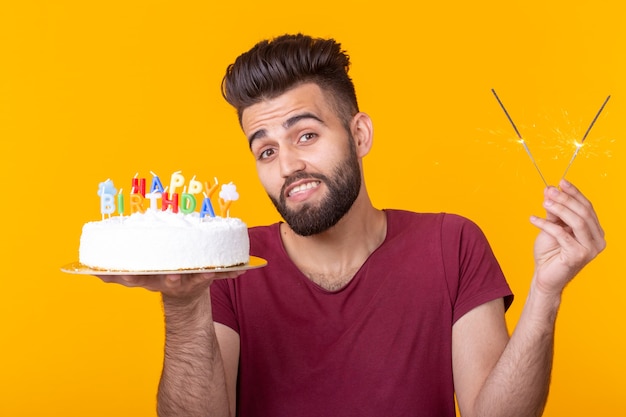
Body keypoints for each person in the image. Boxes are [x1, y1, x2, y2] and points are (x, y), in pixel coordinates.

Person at [99, 34, 606, 417]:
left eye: (306, 135)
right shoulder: (228, 259)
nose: (287, 166)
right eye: (266, 150)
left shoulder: (451, 244)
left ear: (359, 133)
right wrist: (185, 304)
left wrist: (546, 292)